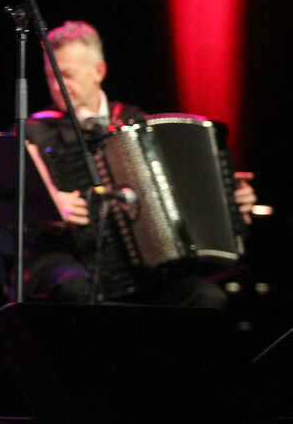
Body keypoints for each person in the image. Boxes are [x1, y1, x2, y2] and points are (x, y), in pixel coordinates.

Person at [22, 20, 255, 307]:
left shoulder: (134, 121)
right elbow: (4, 211)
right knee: (79, 292)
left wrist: (232, 201)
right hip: (69, 256)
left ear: (99, 71)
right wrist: (47, 207)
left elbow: (185, 188)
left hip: (142, 267)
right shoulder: (35, 132)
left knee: (206, 298)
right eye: (51, 76)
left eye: (67, 75)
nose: (58, 86)